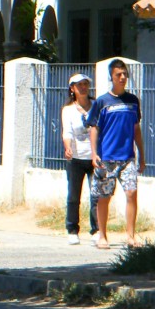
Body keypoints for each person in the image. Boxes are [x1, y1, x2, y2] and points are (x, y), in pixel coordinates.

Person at [88, 59, 146, 250]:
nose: (122, 78)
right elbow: (94, 128)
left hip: (128, 157)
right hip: (107, 158)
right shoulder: (102, 101)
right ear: (111, 77)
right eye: (118, 75)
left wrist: (142, 156)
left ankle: (130, 235)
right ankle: (102, 235)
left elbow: (136, 129)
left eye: (124, 74)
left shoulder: (132, 101)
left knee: (132, 193)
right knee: (104, 197)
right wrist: (94, 153)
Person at [60, 73, 98, 245]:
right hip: (76, 158)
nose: (83, 87)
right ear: (72, 89)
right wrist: (68, 147)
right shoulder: (68, 110)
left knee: (96, 194)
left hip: (95, 157)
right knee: (74, 195)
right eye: (79, 85)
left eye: (85, 84)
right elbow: (67, 131)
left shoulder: (96, 106)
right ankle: (72, 229)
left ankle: (96, 229)